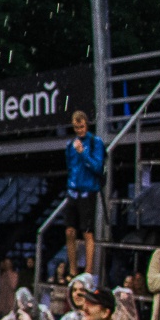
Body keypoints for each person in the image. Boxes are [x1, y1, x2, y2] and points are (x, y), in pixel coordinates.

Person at [63, 109, 104, 280]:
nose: (79, 130)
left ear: (86, 125)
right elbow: (70, 166)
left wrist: (84, 153)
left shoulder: (95, 142)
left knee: (87, 232)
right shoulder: (70, 145)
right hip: (73, 190)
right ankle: (73, 270)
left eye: (81, 127)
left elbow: (98, 167)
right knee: (69, 231)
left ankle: (88, 271)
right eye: (76, 127)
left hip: (88, 191)